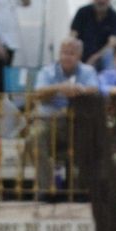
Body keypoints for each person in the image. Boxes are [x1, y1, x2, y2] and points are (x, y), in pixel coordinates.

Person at [32, 37, 97, 192]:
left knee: (93, 137)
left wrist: (79, 89)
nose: (67, 57)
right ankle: (47, 189)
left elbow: (95, 89)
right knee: (33, 138)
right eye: (64, 53)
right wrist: (59, 88)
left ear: (79, 56)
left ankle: (81, 190)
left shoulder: (88, 71)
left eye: (71, 53)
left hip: (78, 121)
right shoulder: (47, 71)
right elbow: (38, 92)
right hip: (50, 120)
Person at [70, 0, 116, 70]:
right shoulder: (82, 12)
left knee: (110, 53)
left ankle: (108, 81)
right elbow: (73, 36)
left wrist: (94, 58)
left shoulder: (115, 17)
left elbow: (112, 43)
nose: (101, 0)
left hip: (101, 58)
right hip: (81, 55)